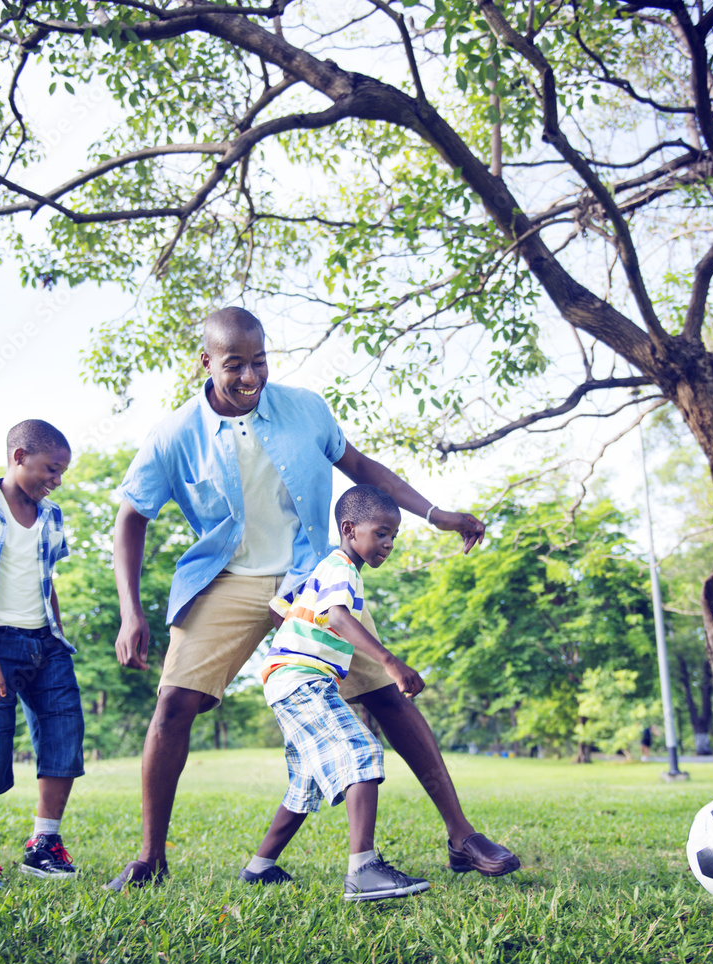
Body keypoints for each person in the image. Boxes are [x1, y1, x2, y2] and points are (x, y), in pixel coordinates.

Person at [107, 306, 519, 889]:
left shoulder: (305, 409)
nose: (250, 378)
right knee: (174, 703)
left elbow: (361, 468)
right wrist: (131, 610)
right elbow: (130, 518)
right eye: (234, 366)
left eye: (259, 362)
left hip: (310, 573)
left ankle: (462, 836)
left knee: (386, 695)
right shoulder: (174, 435)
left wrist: (436, 514)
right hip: (227, 576)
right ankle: (150, 858)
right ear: (206, 363)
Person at [245, 484, 430, 901]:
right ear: (350, 529)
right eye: (381, 532)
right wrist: (390, 661)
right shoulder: (342, 568)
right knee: (360, 753)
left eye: (394, 536)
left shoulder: (328, 568)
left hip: (290, 679)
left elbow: (281, 609)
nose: (388, 544)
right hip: (301, 680)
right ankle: (363, 870)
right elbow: (340, 618)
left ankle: (259, 868)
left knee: (306, 782)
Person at [0, 420, 84, 884]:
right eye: (51, 469)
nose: (56, 480)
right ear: (19, 457)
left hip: (46, 645)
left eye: (62, 472)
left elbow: (45, 580)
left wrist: (57, 635)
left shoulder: (51, 517)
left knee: (64, 735)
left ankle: (44, 844)